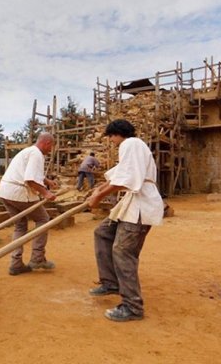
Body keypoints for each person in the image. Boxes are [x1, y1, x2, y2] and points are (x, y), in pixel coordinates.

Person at [87, 119, 163, 322]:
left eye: (110, 137)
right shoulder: (133, 148)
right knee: (102, 233)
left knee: (123, 251)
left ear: (116, 134)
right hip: (131, 205)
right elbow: (115, 178)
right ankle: (110, 283)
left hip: (140, 206)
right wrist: (98, 190)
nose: (111, 142)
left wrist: (98, 197)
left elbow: (127, 180)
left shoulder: (130, 144)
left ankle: (133, 306)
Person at [0, 132, 59, 276]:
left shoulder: (28, 151)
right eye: (51, 147)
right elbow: (30, 179)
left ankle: (16, 264)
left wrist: (47, 181)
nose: (50, 150)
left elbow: (31, 174)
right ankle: (37, 259)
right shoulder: (37, 154)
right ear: (47, 143)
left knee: (20, 225)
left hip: (6, 192)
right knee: (43, 219)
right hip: (19, 193)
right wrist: (46, 193)